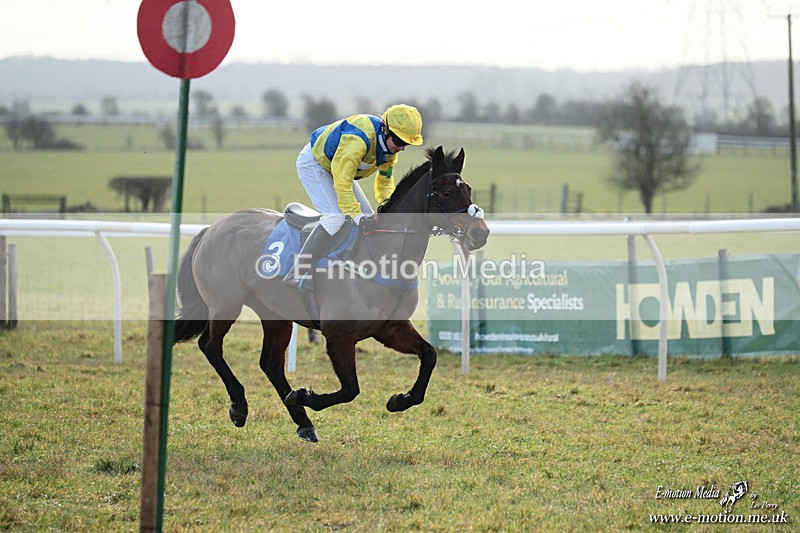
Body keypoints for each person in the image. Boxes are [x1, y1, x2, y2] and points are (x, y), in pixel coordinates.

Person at [283, 104, 424, 290]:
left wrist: (389, 210)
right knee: (336, 218)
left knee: (370, 216)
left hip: (339, 168)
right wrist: (357, 217)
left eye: (406, 144)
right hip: (315, 163)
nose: (402, 148)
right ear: (386, 129)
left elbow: (384, 184)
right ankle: (298, 271)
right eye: (399, 141)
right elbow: (342, 182)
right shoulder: (358, 139)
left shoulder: (390, 152)